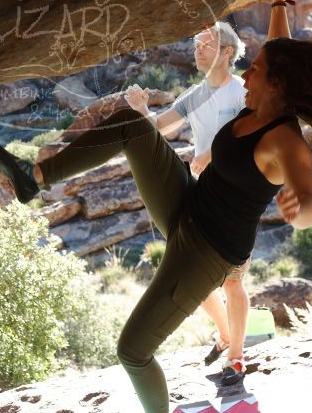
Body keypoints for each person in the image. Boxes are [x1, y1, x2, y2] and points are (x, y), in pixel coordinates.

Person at [0, 0, 312, 413]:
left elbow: (309, 202)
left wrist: (300, 209)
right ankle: (33, 179)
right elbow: (278, 48)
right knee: (131, 125)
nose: (246, 74)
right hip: (187, 203)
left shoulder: (284, 139)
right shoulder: (267, 90)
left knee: (133, 352)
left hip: (210, 249)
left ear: (277, 85)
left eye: (254, 70)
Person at [123, 21, 252, 385]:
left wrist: (211, 154)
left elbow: (250, 138)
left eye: (206, 44)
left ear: (227, 52)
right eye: (195, 44)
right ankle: (226, 334)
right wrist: (140, 108)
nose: (197, 49)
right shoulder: (196, 94)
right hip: (199, 195)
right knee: (193, 280)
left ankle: (237, 355)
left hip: (235, 198)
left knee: (233, 280)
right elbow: (159, 130)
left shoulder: (244, 93)